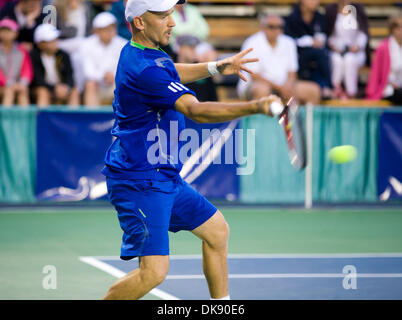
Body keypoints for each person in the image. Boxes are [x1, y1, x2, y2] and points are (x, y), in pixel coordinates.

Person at [101, 0, 283, 300]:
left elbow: (169, 70)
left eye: (171, 14)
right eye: (162, 16)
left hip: (164, 177)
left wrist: (216, 66)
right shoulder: (146, 69)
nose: (172, 22)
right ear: (140, 22)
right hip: (140, 181)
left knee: (217, 231)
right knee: (154, 272)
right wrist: (256, 106)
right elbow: (195, 110)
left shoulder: (139, 53)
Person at [237, 13, 321, 105]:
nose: (276, 30)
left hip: (283, 86)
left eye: (279, 27)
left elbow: (292, 73)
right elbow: (255, 76)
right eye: (271, 27)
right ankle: (261, 119)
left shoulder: (289, 42)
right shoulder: (252, 43)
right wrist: (280, 88)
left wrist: (288, 87)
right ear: (263, 27)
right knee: (262, 90)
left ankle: (307, 119)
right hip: (256, 86)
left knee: (313, 90)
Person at [285, 0, 333, 99]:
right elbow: (289, 40)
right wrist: (310, 41)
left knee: (321, 57)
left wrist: (317, 41)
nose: (315, 2)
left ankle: (326, 87)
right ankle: (326, 87)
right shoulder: (292, 18)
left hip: (316, 58)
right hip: (298, 56)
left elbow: (324, 36)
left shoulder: (320, 18)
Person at [80, 12, 126, 106]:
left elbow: (125, 69)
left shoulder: (123, 44)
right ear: (97, 31)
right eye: (105, 29)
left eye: (111, 28)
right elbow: (88, 72)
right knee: (90, 84)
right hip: (97, 85)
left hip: (115, 84)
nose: (109, 32)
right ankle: (92, 119)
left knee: (124, 84)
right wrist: (103, 76)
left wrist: (113, 76)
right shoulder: (87, 44)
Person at [325, 0, 369, 99]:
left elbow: (363, 34)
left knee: (349, 59)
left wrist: (357, 46)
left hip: (356, 51)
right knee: (336, 60)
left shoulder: (358, 10)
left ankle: (351, 92)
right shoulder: (331, 11)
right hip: (337, 50)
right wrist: (332, 45)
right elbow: (329, 34)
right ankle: (336, 88)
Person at [30, 23, 79, 107]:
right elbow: (37, 80)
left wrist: (66, 87)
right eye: (50, 41)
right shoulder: (33, 56)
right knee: (43, 92)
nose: (55, 43)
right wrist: (54, 88)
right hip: (43, 89)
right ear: (40, 44)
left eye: (55, 39)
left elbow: (70, 77)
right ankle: (43, 119)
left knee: (74, 92)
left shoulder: (64, 55)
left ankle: (73, 119)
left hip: (61, 89)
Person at [366, 14, 402, 105]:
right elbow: (377, 72)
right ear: (393, 30)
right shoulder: (384, 47)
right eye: (398, 28)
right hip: (389, 88)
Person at [0, 18, 32, 107]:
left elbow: (27, 70)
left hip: (17, 85)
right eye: (2, 31)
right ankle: (4, 120)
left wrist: (22, 84)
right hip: (4, 86)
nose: (5, 34)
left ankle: (25, 120)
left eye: (9, 31)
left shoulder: (21, 51)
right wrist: (9, 83)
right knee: (9, 91)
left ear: (16, 34)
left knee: (23, 91)